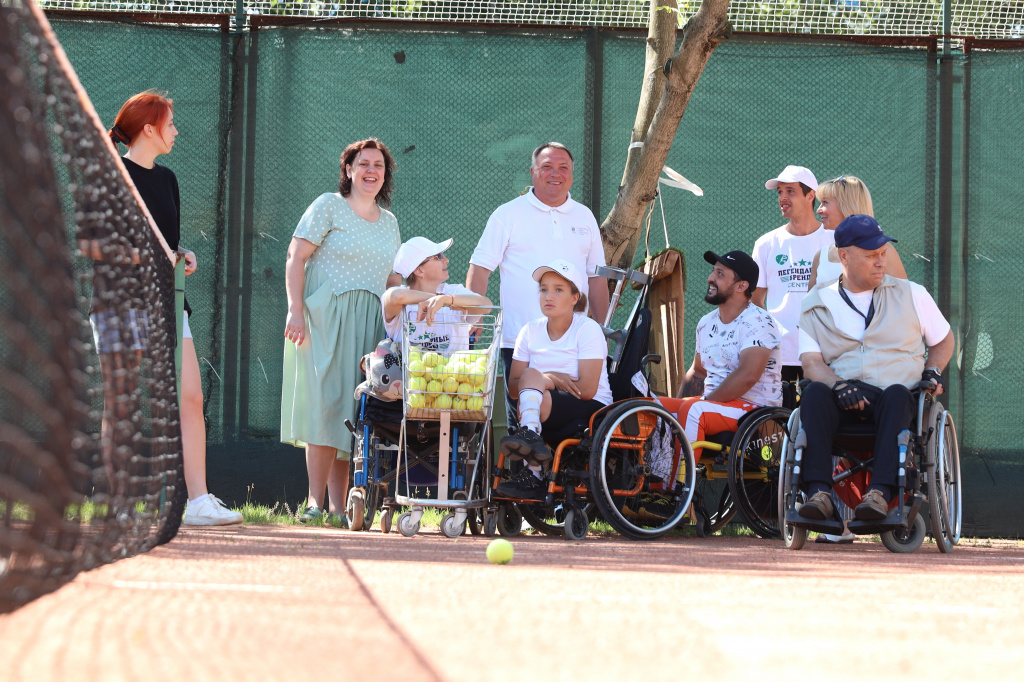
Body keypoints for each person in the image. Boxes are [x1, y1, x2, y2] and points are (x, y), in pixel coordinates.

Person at [86, 90, 241, 525]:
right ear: (149, 129)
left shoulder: (168, 178)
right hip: (119, 303)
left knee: (191, 397)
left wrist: (181, 254)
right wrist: (150, 254)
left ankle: (198, 503)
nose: (175, 131)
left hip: (170, 304)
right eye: (169, 124)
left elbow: (166, 242)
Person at [796, 215, 954, 524]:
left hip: (898, 401)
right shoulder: (815, 303)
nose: (880, 261)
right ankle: (819, 494)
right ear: (844, 255)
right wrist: (838, 385)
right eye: (871, 255)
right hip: (844, 402)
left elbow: (944, 340)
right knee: (813, 392)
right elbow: (812, 363)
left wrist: (933, 371)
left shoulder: (913, 293)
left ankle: (880, 494)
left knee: (896, 394)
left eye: (882, 253)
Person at [281, 138, 401, 524]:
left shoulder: (390, 222)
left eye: (378, 165)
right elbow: (296, 256)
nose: (371, 171)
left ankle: (338, 508)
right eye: (363, 163)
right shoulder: (328, 205)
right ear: (348, 169)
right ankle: (314, 503)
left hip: (372, 321)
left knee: (354, 410)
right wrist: (295, 309)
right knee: (327, 405)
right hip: (326, 316)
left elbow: (394, 278)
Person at [467, 142, 610, 431]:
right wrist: (474, 314)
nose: (555, 174)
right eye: (546, 167)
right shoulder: (507, 214)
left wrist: (604, 329)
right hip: (519, 342)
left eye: (563, 168)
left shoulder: (584, 216)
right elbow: (480, 267)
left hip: (575, 345)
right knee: (522, 426)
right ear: (533, 173)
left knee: (570, 427)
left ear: (571, 175)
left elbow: (595, 278)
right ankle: (524, 475)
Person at [494, 260, 613, 500]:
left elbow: (587, 389)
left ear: (574, 298)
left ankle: (532, 463)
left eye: (559, 290)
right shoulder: (529, 331)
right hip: (542, 404)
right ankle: (532, 444)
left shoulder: (588, 329)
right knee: (530, 384)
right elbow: (515, 389)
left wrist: (546, 381)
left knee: (535, 390)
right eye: (544, 289)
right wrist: (551, 379)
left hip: (591, 408)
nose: (549, 296)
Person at [662, 251, 782, 464]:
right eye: (713, 271)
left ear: (741, 286)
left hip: (754, 411)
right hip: (712, 404)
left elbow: (747, 376)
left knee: (693, 410)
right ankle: (650, 490)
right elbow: (698, 371)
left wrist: (701, 403)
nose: (710, 278)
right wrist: (678, 406)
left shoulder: (759, 321)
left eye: (720, 273)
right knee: (654, 407)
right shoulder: (706, 323)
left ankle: (676, 491)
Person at [752, 165, 831, 382]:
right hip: (779, 353)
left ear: (810, 195)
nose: (782, 198)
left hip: (825, 352)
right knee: (779, 415)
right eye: (780, 192)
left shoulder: (834, 240)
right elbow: (755, 300)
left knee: (817, 413)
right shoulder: (766, 244)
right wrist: (772, 337)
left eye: (790, 191)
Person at [383, 236, 491, 352]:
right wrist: (439, 299)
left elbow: (486, 305)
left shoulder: (454, 292)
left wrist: (446, 300)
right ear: (419, 271)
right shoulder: (400, 295)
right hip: (409, 370)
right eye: (439, 256)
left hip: (454, 370)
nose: (446, 260)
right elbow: (396, 296)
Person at [808, 175, 906, 290]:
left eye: (825, 202)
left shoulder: (885, 251)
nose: (819, 210)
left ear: (847, 205)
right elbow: (811, 305)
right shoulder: (821, 256)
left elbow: (903, 299)